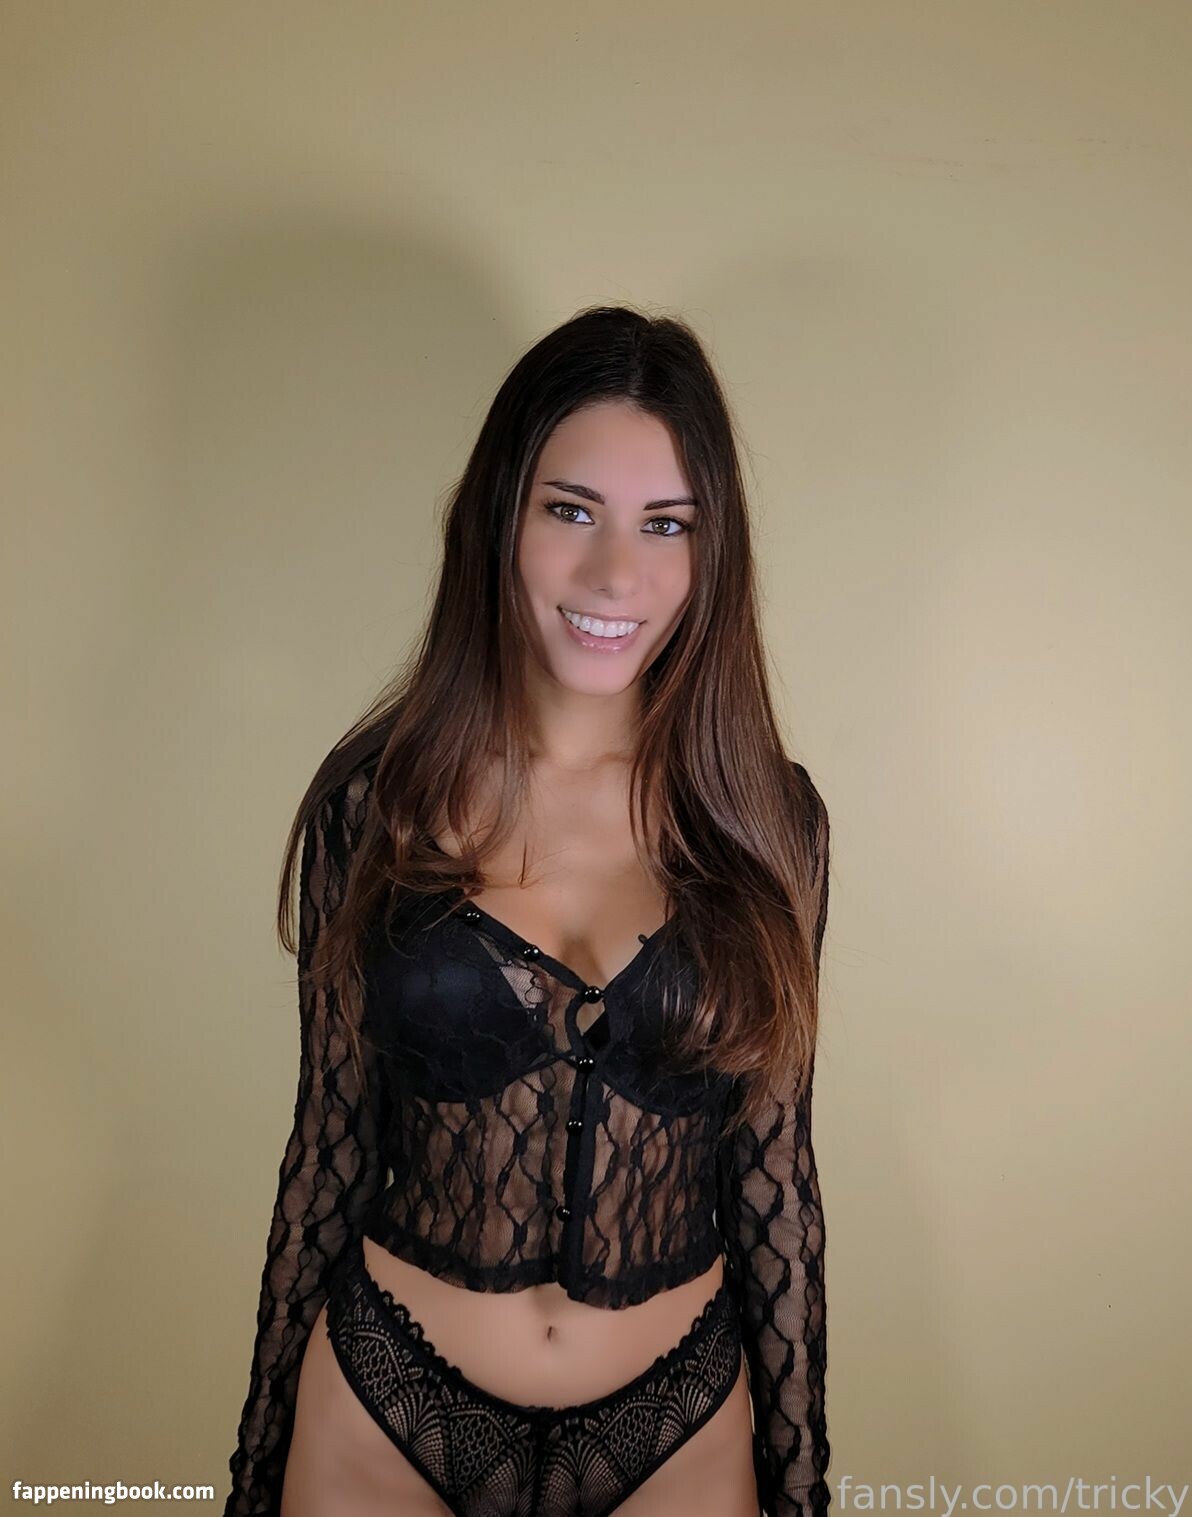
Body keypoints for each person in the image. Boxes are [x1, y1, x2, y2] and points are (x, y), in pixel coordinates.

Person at [223, 304, 832, 1517]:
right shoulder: (376, 805)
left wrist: (801, 1481)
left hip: (674, 1423)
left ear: (710, 553)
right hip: (385, 1410)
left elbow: (774, 1171)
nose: (615, 574)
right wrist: (254, 1471)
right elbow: (327, 1147)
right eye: (571, 510)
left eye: (666, 524)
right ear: (498, 515)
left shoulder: (770, 822)